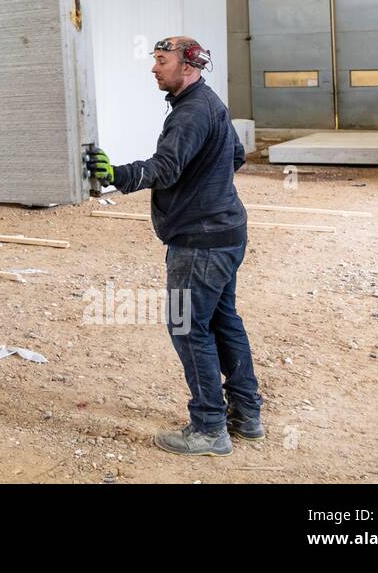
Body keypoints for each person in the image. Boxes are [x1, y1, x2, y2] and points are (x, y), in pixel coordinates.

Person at [86, 36, 263, 457]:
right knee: (223, 322)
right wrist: (205, 186)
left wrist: (116, 173)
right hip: (226, 233)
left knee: (188, 327)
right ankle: (246, 414)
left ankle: (208, 429)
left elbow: (165, 168)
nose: (154, 68)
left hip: (200, 243)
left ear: (187, 67)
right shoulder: (209, 103)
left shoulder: (190, 113)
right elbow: (234, 156)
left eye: (161, 61)